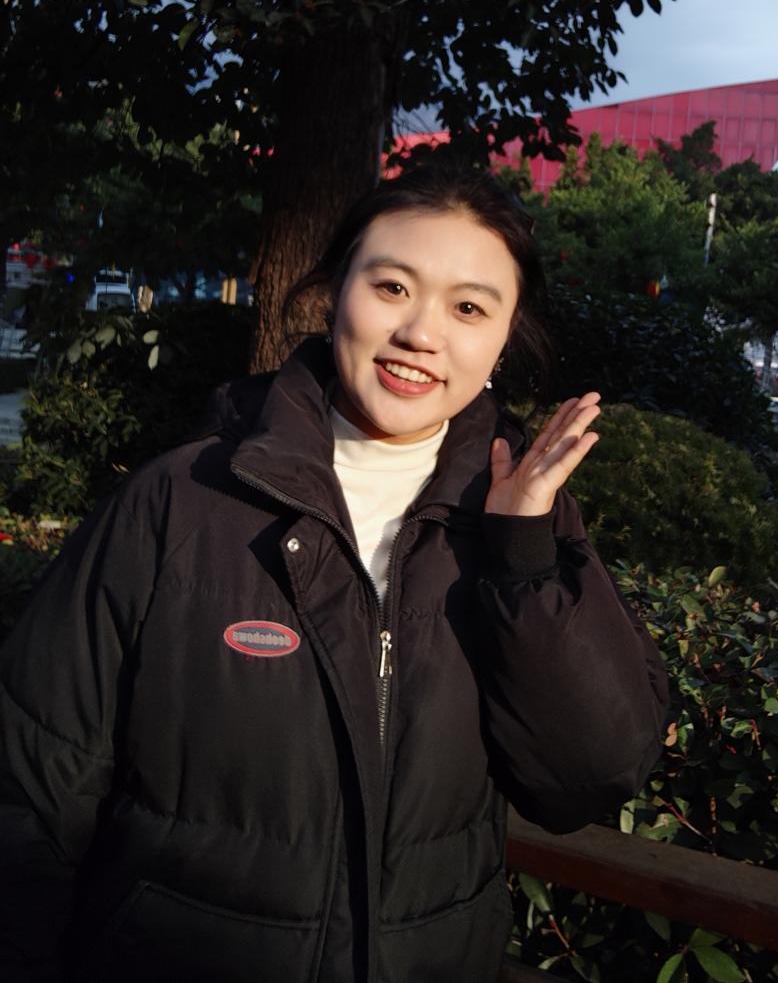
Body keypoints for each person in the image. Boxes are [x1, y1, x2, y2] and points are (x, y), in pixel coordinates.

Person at [0, 166, 668, 983]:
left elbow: (588, 780)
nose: (421, 332)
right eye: (392, 286)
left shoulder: (522, 523)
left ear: (504, 337)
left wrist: (523, 552)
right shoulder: (179, 502)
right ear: (335, 291)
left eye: (468, 307)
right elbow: (28, 792)